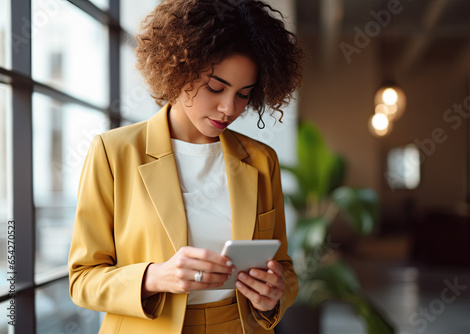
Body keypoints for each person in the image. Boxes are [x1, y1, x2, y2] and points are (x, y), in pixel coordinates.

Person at [68, 0, 303, 333]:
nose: (228, 108)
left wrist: (276, 294)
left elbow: (284, 269)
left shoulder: (262, 161)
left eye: (243, 95)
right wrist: (155, 276)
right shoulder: (113, 153)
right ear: (179, 68)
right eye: (216, 87)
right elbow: (82, 280)